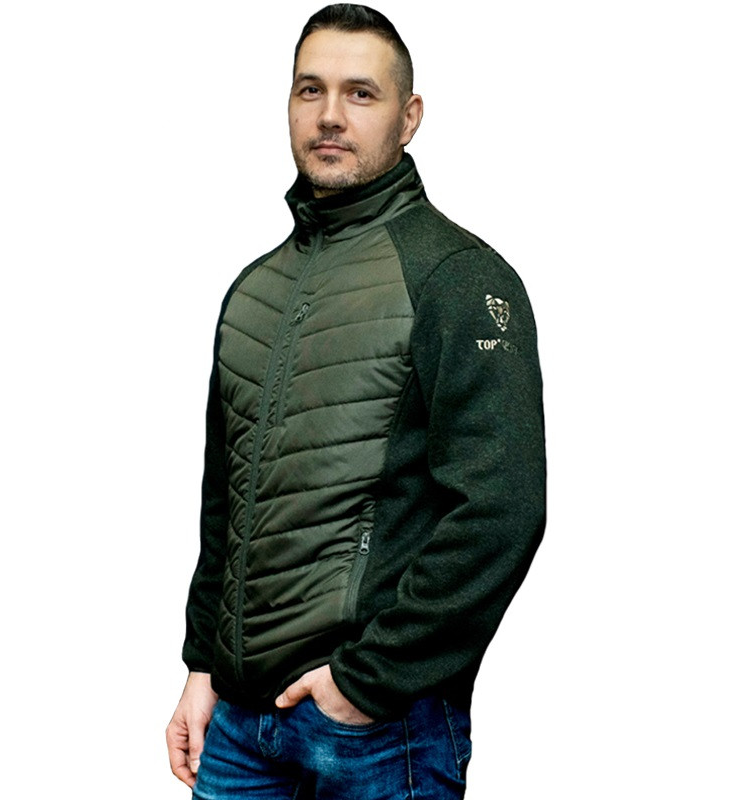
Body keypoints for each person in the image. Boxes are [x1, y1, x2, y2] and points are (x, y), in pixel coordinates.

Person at [166, 5, 546, 798]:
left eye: (361, 93)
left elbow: (501, 510)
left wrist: (368, 681)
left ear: (409, 117)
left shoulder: (457, 278)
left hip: (378, 729)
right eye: (311, 90)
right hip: (238, 728)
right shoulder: (253, 290)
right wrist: (202, 665)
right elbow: (225, 502)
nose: (330, 115)